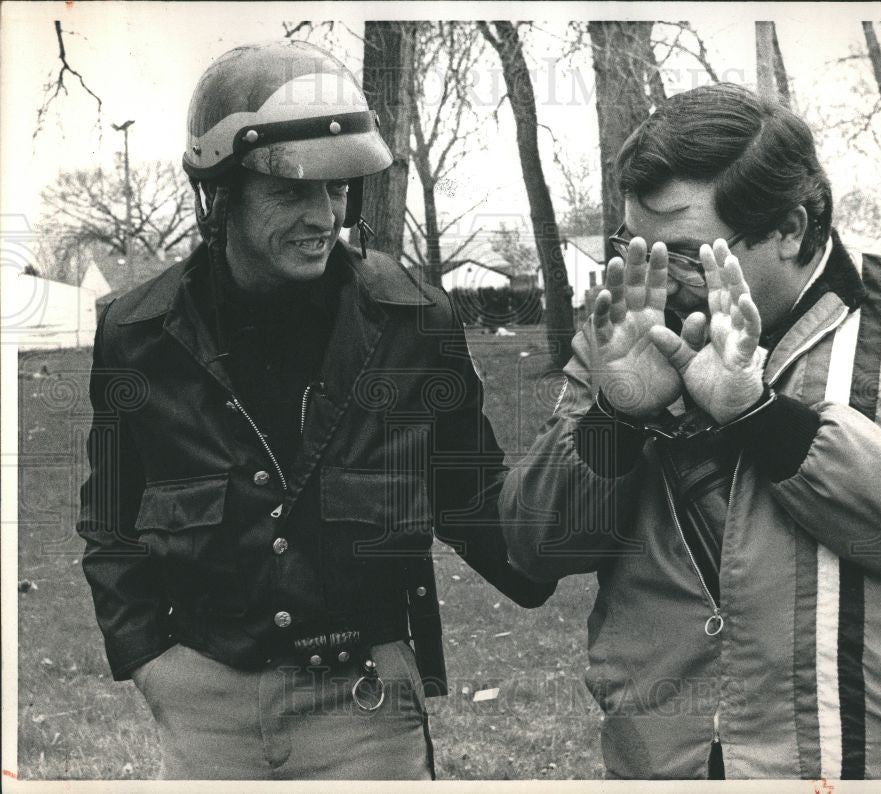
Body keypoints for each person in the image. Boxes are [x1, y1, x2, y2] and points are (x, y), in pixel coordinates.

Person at [76, 40, 554, 780]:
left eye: (337, 191)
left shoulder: (415, 322)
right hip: (207, 711)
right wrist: (146, 657)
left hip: (364, 710)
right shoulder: (138, 336)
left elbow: (481, 507)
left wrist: (602, 419)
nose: (322, 216)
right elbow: (110, 514)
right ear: (221, 194)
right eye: (291, 191)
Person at [500, 82, 881, 779]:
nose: (658, 283)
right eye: (636, 248)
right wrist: (616, 419)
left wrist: (760, 416)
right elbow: (534, 545)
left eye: (688, 253)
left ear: (790, 228)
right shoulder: (625, 333)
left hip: (875, 762)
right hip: (670, 763)